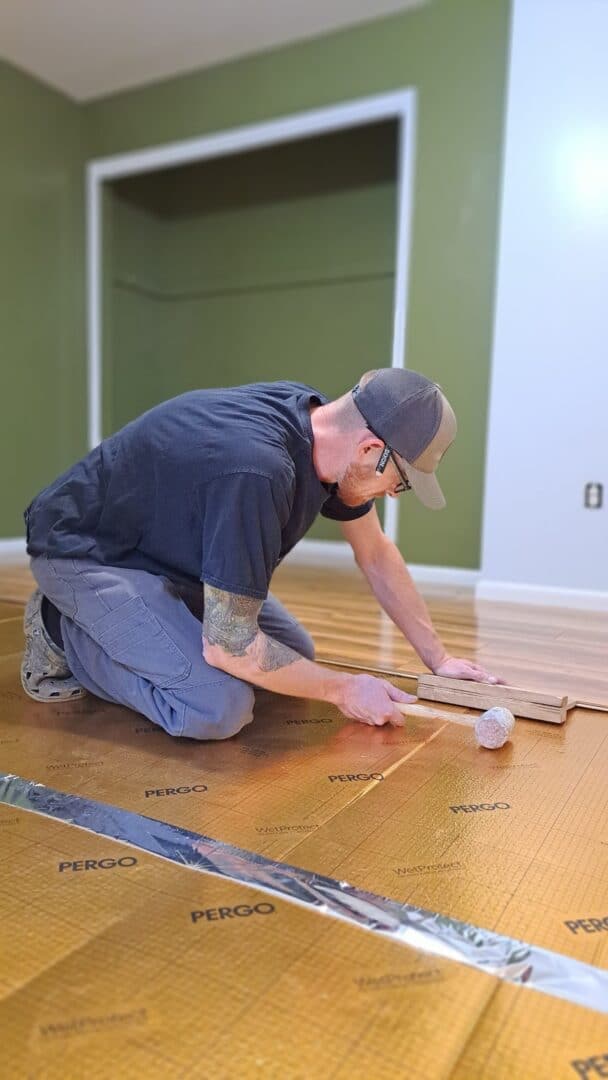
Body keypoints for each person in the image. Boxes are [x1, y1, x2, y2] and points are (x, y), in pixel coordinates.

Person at [21, 367, 500, 739]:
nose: (392, 495)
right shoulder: (258, 471)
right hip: (89, 552)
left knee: (296, 656)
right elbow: (230, 647)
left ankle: (144, 623)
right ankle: (61, 628)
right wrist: (343, 688)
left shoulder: (323, 434)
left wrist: (438, 659)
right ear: (370, 448)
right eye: (398, 483)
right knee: (215, 707)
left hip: (168, 551)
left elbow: (375, 553)